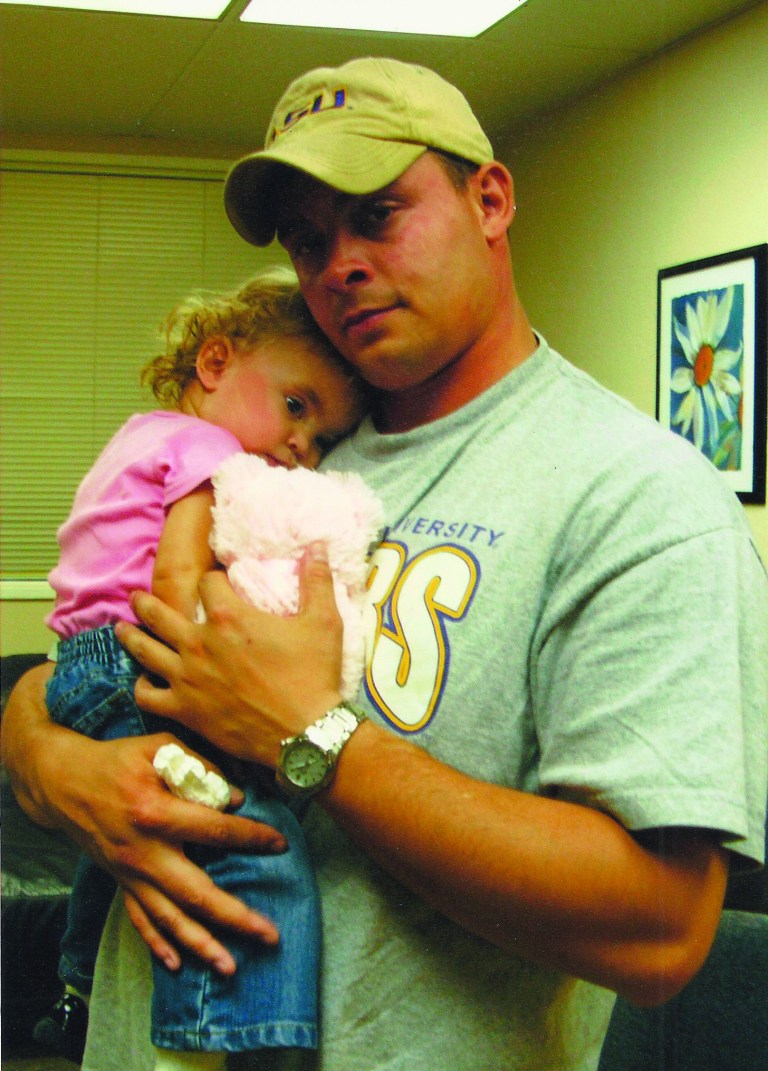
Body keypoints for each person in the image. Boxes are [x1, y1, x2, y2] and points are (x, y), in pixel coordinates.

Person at [3, 56, 767, 1071]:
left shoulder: (636, 493)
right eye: (310, 241)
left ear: (489, 199)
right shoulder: (274, 438)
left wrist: (309, 737)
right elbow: (90, 652)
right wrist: (50, 762)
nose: (339, 265)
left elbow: (660, 927)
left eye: (377, 214)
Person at [28, 268, 367, 1070]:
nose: (300, 446)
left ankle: (75, 984)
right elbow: (176, 583)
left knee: (118, 839)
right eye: (295, 405)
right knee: (249, 837)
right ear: (214, 363)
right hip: (135, 658)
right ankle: (228, 1036)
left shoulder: (135, 436)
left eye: (321, 438)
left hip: (77, 662)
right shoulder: (211, 455)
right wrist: (220, 675)